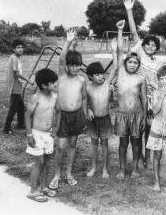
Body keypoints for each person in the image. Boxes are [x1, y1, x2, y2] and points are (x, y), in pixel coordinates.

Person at [124, 0, 164, 168]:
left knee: (149, 129)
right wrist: (129, 11)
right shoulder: (139, 53)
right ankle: (138, 156)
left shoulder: (158, 62)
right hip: (138, 97)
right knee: (137, 129)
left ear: (156, 48)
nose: (150, 47)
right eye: (148, 45)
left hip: (152, 99)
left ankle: (147, 156)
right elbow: (134, 33)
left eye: (153, 46)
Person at [49, 30, 88, 190]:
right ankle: (57, 175)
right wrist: (68, 41)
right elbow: (61, 58)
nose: (75, 67)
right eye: (72, 65)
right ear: (67, 66)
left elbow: (84, 97)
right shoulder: (61, 77)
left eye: (78, 65)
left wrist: (84, 114)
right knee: (61, 146)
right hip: (62, 117)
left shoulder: (82, 80)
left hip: (77, 115)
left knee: (72, 145)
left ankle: (69, 173)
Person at [85, 20, 122, 178]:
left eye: (102, 74)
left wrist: (114, 50)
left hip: (105, 118)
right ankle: (93, 167)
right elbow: (83, 101)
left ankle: (105, 169)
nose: (101, 76)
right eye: (98, 74)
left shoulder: (107, 84)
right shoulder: (86, 87)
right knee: (94, 145)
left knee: (105, 144)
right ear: (90, 77)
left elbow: (115, 66)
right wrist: (87, 109)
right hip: (92, 120)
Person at [114, 18, 147, 179]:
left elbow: (144, 99)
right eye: (131, 62)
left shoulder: (141, 78)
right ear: (125, 63)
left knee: (136, 142)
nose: (133, 64)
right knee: (122, 143)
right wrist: (120, 30)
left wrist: (145, 116)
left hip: (137, 114)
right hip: (122, 114)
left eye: (136, 63)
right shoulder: (121, 72)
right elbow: (120, 50)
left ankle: (134, 168)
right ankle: (121, 169)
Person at [25, 68, 58, 202]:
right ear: (44, 85)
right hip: (36, 134)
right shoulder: (36, 97)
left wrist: (56, 129)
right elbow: (27, 115)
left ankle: (43, 187)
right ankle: (33, 190)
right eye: (53, 83)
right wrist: (29, 135)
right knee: (39, 162)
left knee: (47, 162)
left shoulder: (55, 97)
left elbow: (59, 112)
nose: (55, 84)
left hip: (48, 134)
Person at [145, 66, 166, 191]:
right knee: (157, 154)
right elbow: (155, 110)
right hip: (157, 126)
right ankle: (157, 182)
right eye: (162, 78)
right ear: (158, 80)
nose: (165, 81)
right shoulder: (155, 92)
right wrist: (162, 95)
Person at [4, 39, 34, 134]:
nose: (21, 49)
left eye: (22, 47)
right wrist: (28, 80)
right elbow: (16, 74)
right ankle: (6, 128)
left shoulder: (17, 58)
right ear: (14, 49)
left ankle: (21, 123)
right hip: (14, 86)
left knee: (20, 107)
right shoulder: (14, 58)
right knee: (13, 108)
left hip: (18, 85)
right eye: (18, 47)